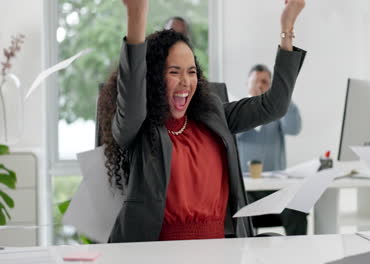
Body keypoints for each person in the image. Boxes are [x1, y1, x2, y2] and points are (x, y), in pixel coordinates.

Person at [98, 0, 306, 242]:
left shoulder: (214, 116)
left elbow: (274, 105)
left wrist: (287, 26)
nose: (186, 82)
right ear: (153, 79)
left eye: (191, 71)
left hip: (220, 250)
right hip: (156, 254)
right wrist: (137, 12)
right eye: (174, 72)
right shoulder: (140, 129)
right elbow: (132, 94)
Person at [237, 64, 308, 236]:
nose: (260, 86)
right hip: (247, 193)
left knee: (297, 209)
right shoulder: (237, 111)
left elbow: (294, 128)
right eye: (256, 82)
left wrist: (284, 95)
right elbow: (234, 133)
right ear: (247, 84)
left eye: (265, 82)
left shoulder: (279, 113)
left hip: (276, 191)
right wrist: (254, 106)